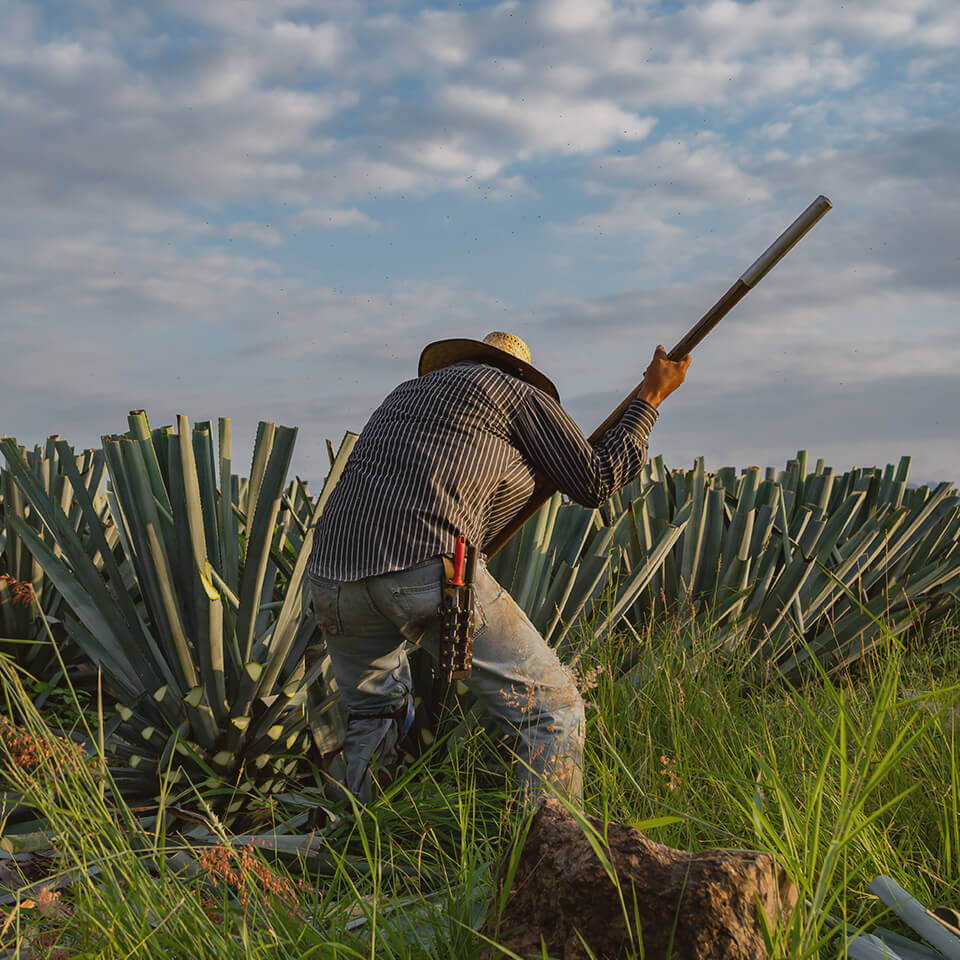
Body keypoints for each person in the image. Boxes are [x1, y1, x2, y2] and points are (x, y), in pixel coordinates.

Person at [307, 332, 690, 806]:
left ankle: (353, 854)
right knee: (553, 709)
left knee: (374, 713)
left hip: (331, 577)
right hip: (424, 563)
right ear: (522, 372)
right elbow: (596, 480)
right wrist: (650, 397)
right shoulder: (514, 392)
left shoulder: (405, 394)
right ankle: (547, 862)